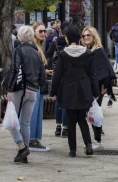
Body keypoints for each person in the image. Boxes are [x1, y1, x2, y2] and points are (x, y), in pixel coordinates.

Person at [50, 25, 99, 157]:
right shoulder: (87, 54)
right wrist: (95, 92)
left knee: (71, 120)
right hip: (84, 89)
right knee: (82, 119)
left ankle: (72, 150)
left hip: (68, 89)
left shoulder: (63, 54)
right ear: (78, 38)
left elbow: (57, 75)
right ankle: (88, 144)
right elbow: (92, 74)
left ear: (67, 38)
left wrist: (53, 92)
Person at [4, 26, 47, 163]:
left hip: (20, 90)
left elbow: (15, 70)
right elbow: (42, 75)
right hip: (33, 91)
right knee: (25, 123)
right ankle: (24, 152)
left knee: (11, 122)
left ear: (20, 37)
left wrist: (9, 89)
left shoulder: (19, 50)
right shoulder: (36, 52)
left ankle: (22, 147)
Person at [83, 26, 115, 150]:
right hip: (89, 87)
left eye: (88, 35)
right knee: (91, 113)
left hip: (97, 88)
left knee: (94, 113)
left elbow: (105, 70)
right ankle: (94, 140)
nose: (86, 37)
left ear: (94, 37)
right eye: (84, 35)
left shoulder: (98, 51)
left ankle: (97, 140)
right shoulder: (88, 50)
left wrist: (103, 87)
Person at [28, 22, 51, 152]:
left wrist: (45, 72)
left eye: (44, 31)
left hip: (38, 83)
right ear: (34, 32)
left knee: (37, 112)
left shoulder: (39, 47)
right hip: (33, 84)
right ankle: (31, 140)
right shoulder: (33, 47)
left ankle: (35, 139)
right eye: (40, 31)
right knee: (33, 112)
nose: (43, 34)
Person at [47, 22, 69, 138]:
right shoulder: (70, 43)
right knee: (65, 102)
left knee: (58, 101)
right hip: (67, 75)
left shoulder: (56, 41)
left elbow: (48, 54)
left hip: (56, 73)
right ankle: (65, 128)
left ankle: (58, 126)